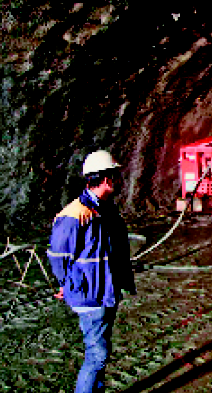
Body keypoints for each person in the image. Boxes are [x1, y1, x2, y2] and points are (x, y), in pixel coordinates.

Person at [47, 150, 137, 393]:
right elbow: (57, 256)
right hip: (91, 295)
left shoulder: (106, 209)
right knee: (97, 355)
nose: (120, 181)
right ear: (107, 180)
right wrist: (66, 284)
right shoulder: (75, 214)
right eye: (116, 176)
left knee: (101, 352)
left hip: (106, 291)